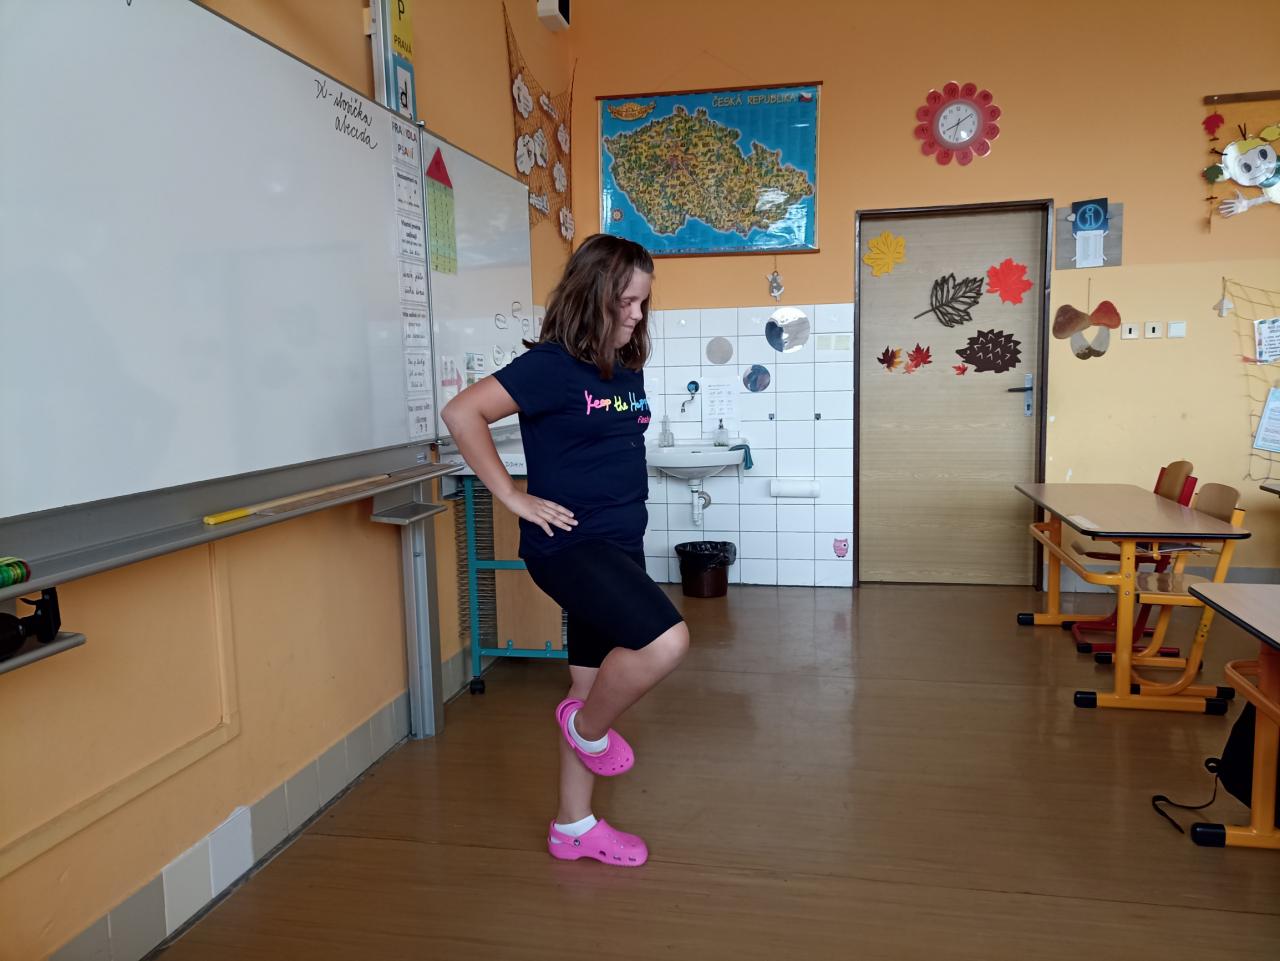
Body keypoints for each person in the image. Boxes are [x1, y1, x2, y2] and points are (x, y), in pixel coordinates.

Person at [441, 234, 688, 868]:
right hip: (571, 545)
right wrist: (512, 496)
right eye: (626, 302)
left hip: (620, 542)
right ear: (593, 296)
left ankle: (573, 827)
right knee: (665, 642)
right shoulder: (550, 366)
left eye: (643, 302)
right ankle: (585, 729)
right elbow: (463, 412)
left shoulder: (623, 366)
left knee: (590, 680)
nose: (637, 314)